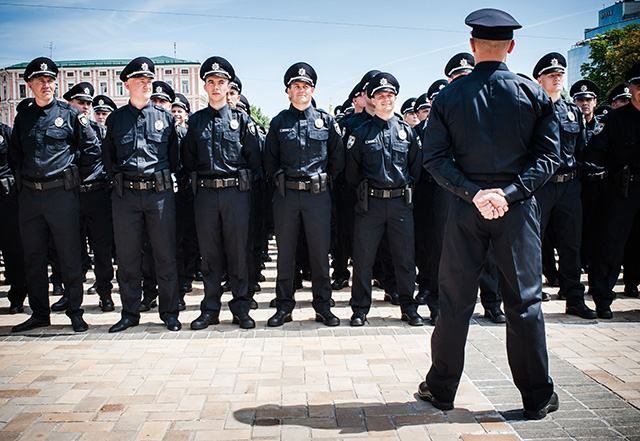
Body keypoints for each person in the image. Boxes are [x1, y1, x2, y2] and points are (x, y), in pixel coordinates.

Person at [419, 9, 559, 420]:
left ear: (472, 45)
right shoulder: (533, 94)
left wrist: (475, 193)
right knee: (525, 303)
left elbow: (434, 158)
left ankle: (442, 389)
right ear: (511, 47)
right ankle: (536, 397)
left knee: (455, 301)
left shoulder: (448, 97)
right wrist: (510, 192)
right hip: (516, 210)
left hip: (466, 209)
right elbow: (549, 156)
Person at [9, 57, 101, 333]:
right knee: (34, 257)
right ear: (29, 85)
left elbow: (92, 150)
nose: (46, 85)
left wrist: (74, 177)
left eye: (50, 80)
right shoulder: (23, 116)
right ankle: (40, 313)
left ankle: (75, 311)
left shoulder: (70, 114)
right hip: (30, 198)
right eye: (40, 80)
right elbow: (16, 154)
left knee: (69, 255)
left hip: (62, 195)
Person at [102, 56, 181, 332]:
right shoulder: (115, 120)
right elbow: (108, 159)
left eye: (149, 80)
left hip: (159, 195)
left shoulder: (165, 118)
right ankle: (130, 313)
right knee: (127, 257)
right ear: (127, 85)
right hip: (126, 197)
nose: (146, 85)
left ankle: (169, 312)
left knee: (165, 255)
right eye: (140, 81)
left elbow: (175, 158)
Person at [182, 56, 261, 330]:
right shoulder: (195, 122)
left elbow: (254, 160)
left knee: (238, 253)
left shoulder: (241, 121)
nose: (216, 87)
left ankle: (241, 307)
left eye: (221, 82)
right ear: (205, 86)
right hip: (205, 194)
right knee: (210, 255)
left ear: (229, 87)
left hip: (236, 195)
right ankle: (210, 309)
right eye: (211, 82)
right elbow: (188, 160)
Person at [263, 62, 344, 327]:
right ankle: (284, 307)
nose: (301, 90)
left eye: (305, 86)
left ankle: (323, 306)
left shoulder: (326, 121)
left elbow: (337, 159)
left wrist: (323, 180)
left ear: (313, 89)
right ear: (288, 91)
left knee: (320, 255)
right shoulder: (278, 122)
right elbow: (269, 161)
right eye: (296, 86)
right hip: (286, 197)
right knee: (285, 255)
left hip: (317, 197)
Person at [345, 72, 424, 327]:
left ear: (395, 98)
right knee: (364, 258)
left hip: (401, 203)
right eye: (380, 95)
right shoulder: (361, 132)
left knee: (404, 258)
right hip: (371, 204)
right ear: (372, 99)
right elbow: (351, 173)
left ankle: (408, 307)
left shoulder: (406, 131)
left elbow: (416, 168)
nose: (385, 100)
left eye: (389, 95)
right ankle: (359, 309)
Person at [532, 53, 596, 319]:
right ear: (539, 80)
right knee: (533, 244)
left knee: (571, 244)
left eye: (559, 74)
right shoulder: (531, 109)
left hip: (569, 185)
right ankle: (531, 299)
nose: (557, 77)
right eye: (551, 74)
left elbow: (580, 149)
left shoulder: (573, 111)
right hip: (541, 186)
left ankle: (574, 299)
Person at [585, 62, 640, 318]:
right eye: (638, 86)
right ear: (630, 88)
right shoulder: (614, 120)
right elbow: (594, 154)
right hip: (622, 191)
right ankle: (603, 298)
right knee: (610, 246)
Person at [62, 82, 115, 313]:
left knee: (102, 249)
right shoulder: (62, 130)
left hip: (96, 195)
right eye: (79, 102)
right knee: (70, 251)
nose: (84, 107)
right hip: (69, 196)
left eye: (87, 103)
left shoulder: (99, 130)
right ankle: (70, 296)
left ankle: (105, 294)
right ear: (69, 103)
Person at [0, 98, 27, 314]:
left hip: (6, 197)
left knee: (12, 250)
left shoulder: (6, 133)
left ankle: (17, 296)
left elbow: (16, 162)